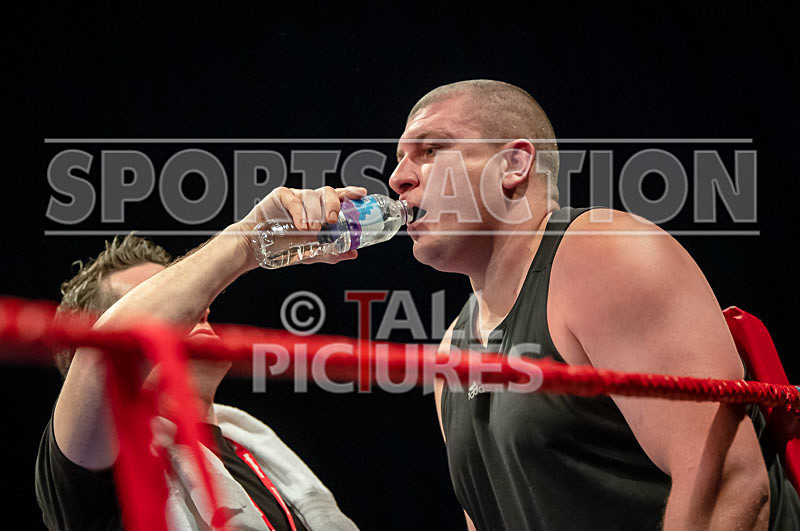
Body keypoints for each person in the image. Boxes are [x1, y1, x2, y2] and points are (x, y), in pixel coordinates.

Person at [387, 80, 800, 530]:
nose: (398, 178)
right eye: (400, 158)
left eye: (431, 150)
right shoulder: (453, 349)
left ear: (513, 164)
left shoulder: (604, 254)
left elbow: (731, 488)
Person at [35, 186, 369, 530]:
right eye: (171, 303)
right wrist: (248, 239)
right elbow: (100, 355)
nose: (200, 307)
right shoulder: (102, 474)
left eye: (190, 295)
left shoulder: (262, 456)